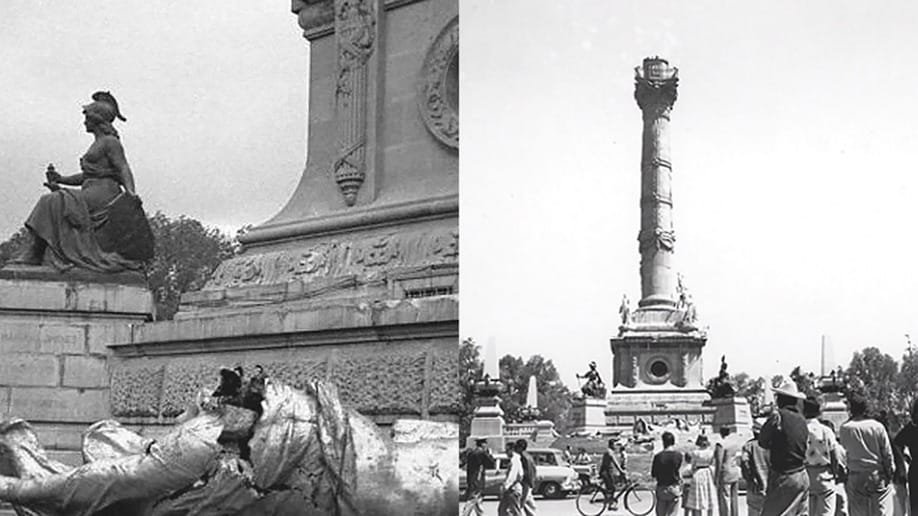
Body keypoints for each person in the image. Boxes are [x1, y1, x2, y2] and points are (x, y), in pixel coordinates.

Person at [12, 91, 149, 272]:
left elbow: (123, 167)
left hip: (104, 195)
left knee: (51, 201)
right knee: (54, 200)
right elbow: (88, 176)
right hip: (90, 191)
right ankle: (37, 251)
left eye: (87, 118)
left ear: (96, 120)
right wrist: (61, 179)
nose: (84, 122)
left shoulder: (110, 142)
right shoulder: (97, 143)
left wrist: (131, 194)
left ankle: (35, 252)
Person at [838, 392, 894, 516]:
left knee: (858, 512)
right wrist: (890, 472)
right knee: (882, 510)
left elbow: (842, 454)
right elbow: (887, 453)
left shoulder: (845, 428)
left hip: (855, 475)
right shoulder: (877, 427)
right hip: (876, 474)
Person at [758, 380, 809, 515]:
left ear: (781, 399)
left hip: (784, 475)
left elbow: (762, 441)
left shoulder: (778, 416)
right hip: (801, 474)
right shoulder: (802, 420)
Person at [804, 394, 843, 516]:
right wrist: (836, 472)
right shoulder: (826, 431)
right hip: (824, 475)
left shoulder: (800, 429)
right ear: (819, 411)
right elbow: (834, 453)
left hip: (805, 475)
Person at [741, 418, 770, 516]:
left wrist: (749, 480)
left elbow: (745, 464)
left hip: (755, 488)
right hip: (772, 487)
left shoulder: (749, 446)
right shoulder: (773, 445)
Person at [893, 398, 918, 515]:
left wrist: (903, 460)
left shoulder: (911, 427)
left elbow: (897, 443)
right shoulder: (912, 427)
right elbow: (897, 443)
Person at [683, 434, 716, 516]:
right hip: (707, 472)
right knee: (709, 497)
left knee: (697, 499)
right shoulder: (711, 452)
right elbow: (712, 463)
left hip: (698, 472)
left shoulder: (695, 453)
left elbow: (693, 465)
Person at [652, 431, 683, 516]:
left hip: (662, 487)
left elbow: (654, 474)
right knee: (672, 513)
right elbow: (679, 470)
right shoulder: (679, 455)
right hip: (674, 486)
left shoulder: (658, 456)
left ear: (663, 442)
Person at [462, 438, 495, 516]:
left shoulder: (471, 453)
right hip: (478, 479)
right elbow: (491, 463)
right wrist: (489, 454)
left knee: (478, 500)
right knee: (472, 499)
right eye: (485, 444)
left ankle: (480, 514)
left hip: (471, 478)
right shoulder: (482, 453)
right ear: (483, 444)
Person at [714, 426, 742, 516]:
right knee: (734, 497)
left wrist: (716, 476)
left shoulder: (721, 444)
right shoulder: (734, 443)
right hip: (734, 471)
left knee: (724, 498)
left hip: (725, 472)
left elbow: (719, 460)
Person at [599, 438, 626, 510]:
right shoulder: (609, 452)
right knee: (612, 488)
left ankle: (610, 501)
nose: (616, 447)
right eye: (615, 445)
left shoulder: (610, 451)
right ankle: (610, 504)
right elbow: (615, 463)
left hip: (608, 472)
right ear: (611, 445)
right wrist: (621, 471)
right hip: (606, 472)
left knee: (612, 487)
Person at [498, 441, 524, 516]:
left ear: (512, 449)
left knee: (515, 511)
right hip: (510, 489)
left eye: (507, 450)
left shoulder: (515, 460)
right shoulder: (515, 459)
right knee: (502, 510)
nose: (506, 452)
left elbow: (513, 476)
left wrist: (506, 486)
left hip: (512, 489)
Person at [515, 440, 537, 516]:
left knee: (522, 504)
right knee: (529, 504)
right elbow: (534, 470)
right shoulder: (528, 456)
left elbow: (526, 472)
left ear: (520, 447)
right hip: (528, 483)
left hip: (525, 483)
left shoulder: (522, 457)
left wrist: (527, 484)